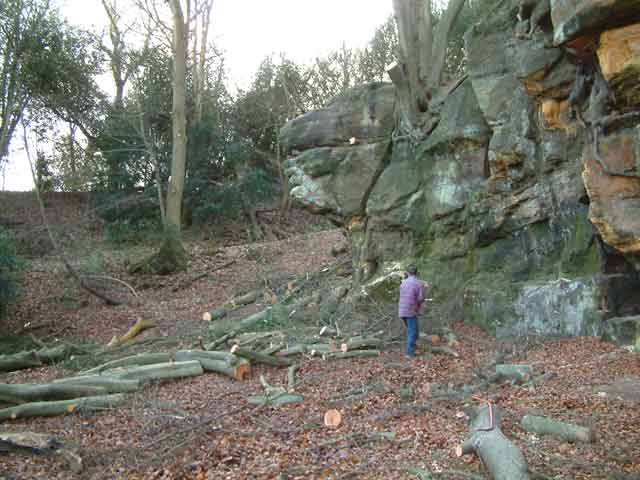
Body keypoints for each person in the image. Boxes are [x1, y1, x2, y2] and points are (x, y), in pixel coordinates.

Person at [398, 264, 428, 358]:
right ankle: (409, 353)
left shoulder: (403, 283)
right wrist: (424, 290)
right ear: (417, 272)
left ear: (407, 273)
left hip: (402, 311)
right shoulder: (419, 284)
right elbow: (420, 299)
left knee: (413, 330)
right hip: (410, 311)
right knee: (412, 332)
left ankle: (415, 348)